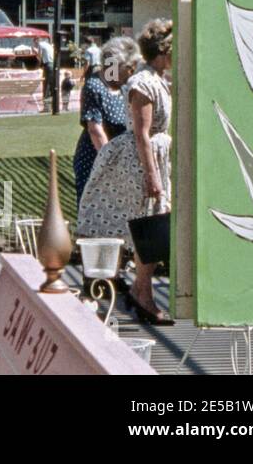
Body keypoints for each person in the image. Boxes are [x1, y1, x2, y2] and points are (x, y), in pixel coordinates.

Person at [77, 19, 174, 325]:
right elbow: (97, 128)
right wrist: (112, 162)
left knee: (141, 224)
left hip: (130, 157)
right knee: (114, 221)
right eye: (123, 66)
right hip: (111, 159)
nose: (127, 70)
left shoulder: (138, 80)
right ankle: (104, 287)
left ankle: (127, 287)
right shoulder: (101, 83)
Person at [72, 37, 139, 204]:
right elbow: (95, 130)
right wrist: (111, 165)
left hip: (121, 159)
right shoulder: (94, 87)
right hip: (97, 160)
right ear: (113, 65)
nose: (132, 72)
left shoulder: (124, 86)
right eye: (129, 68)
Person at [38, 32, 56, 108]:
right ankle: (53, 106)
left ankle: (46, 107)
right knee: (52, 85)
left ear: (37, 40)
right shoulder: (49, 45)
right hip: (53, 64)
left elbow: (39, 56)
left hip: (48, 65)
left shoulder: (40, 44)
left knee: (46, 85)